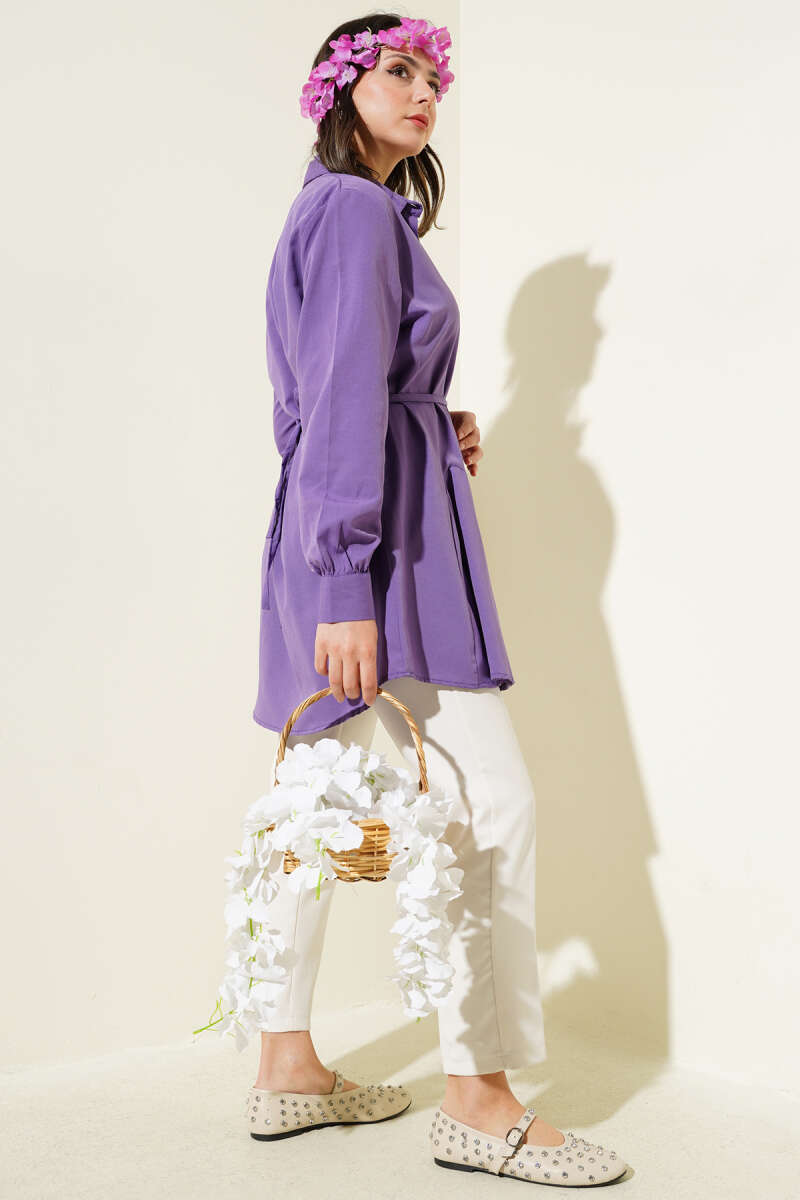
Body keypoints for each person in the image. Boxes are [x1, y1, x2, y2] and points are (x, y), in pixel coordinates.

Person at [245, 13, 628, 1185]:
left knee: (323, 804)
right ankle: (478, 1098)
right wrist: (346, 577)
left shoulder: (336, 213)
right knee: (485, 803)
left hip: (346, 539)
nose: (423, 92)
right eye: (397, 71)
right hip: (377, 563)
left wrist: (427, 425)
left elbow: (333, 392)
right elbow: (337, 400)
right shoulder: (355, 212)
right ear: (340, 89)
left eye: (432, 76)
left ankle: (285, 1064)